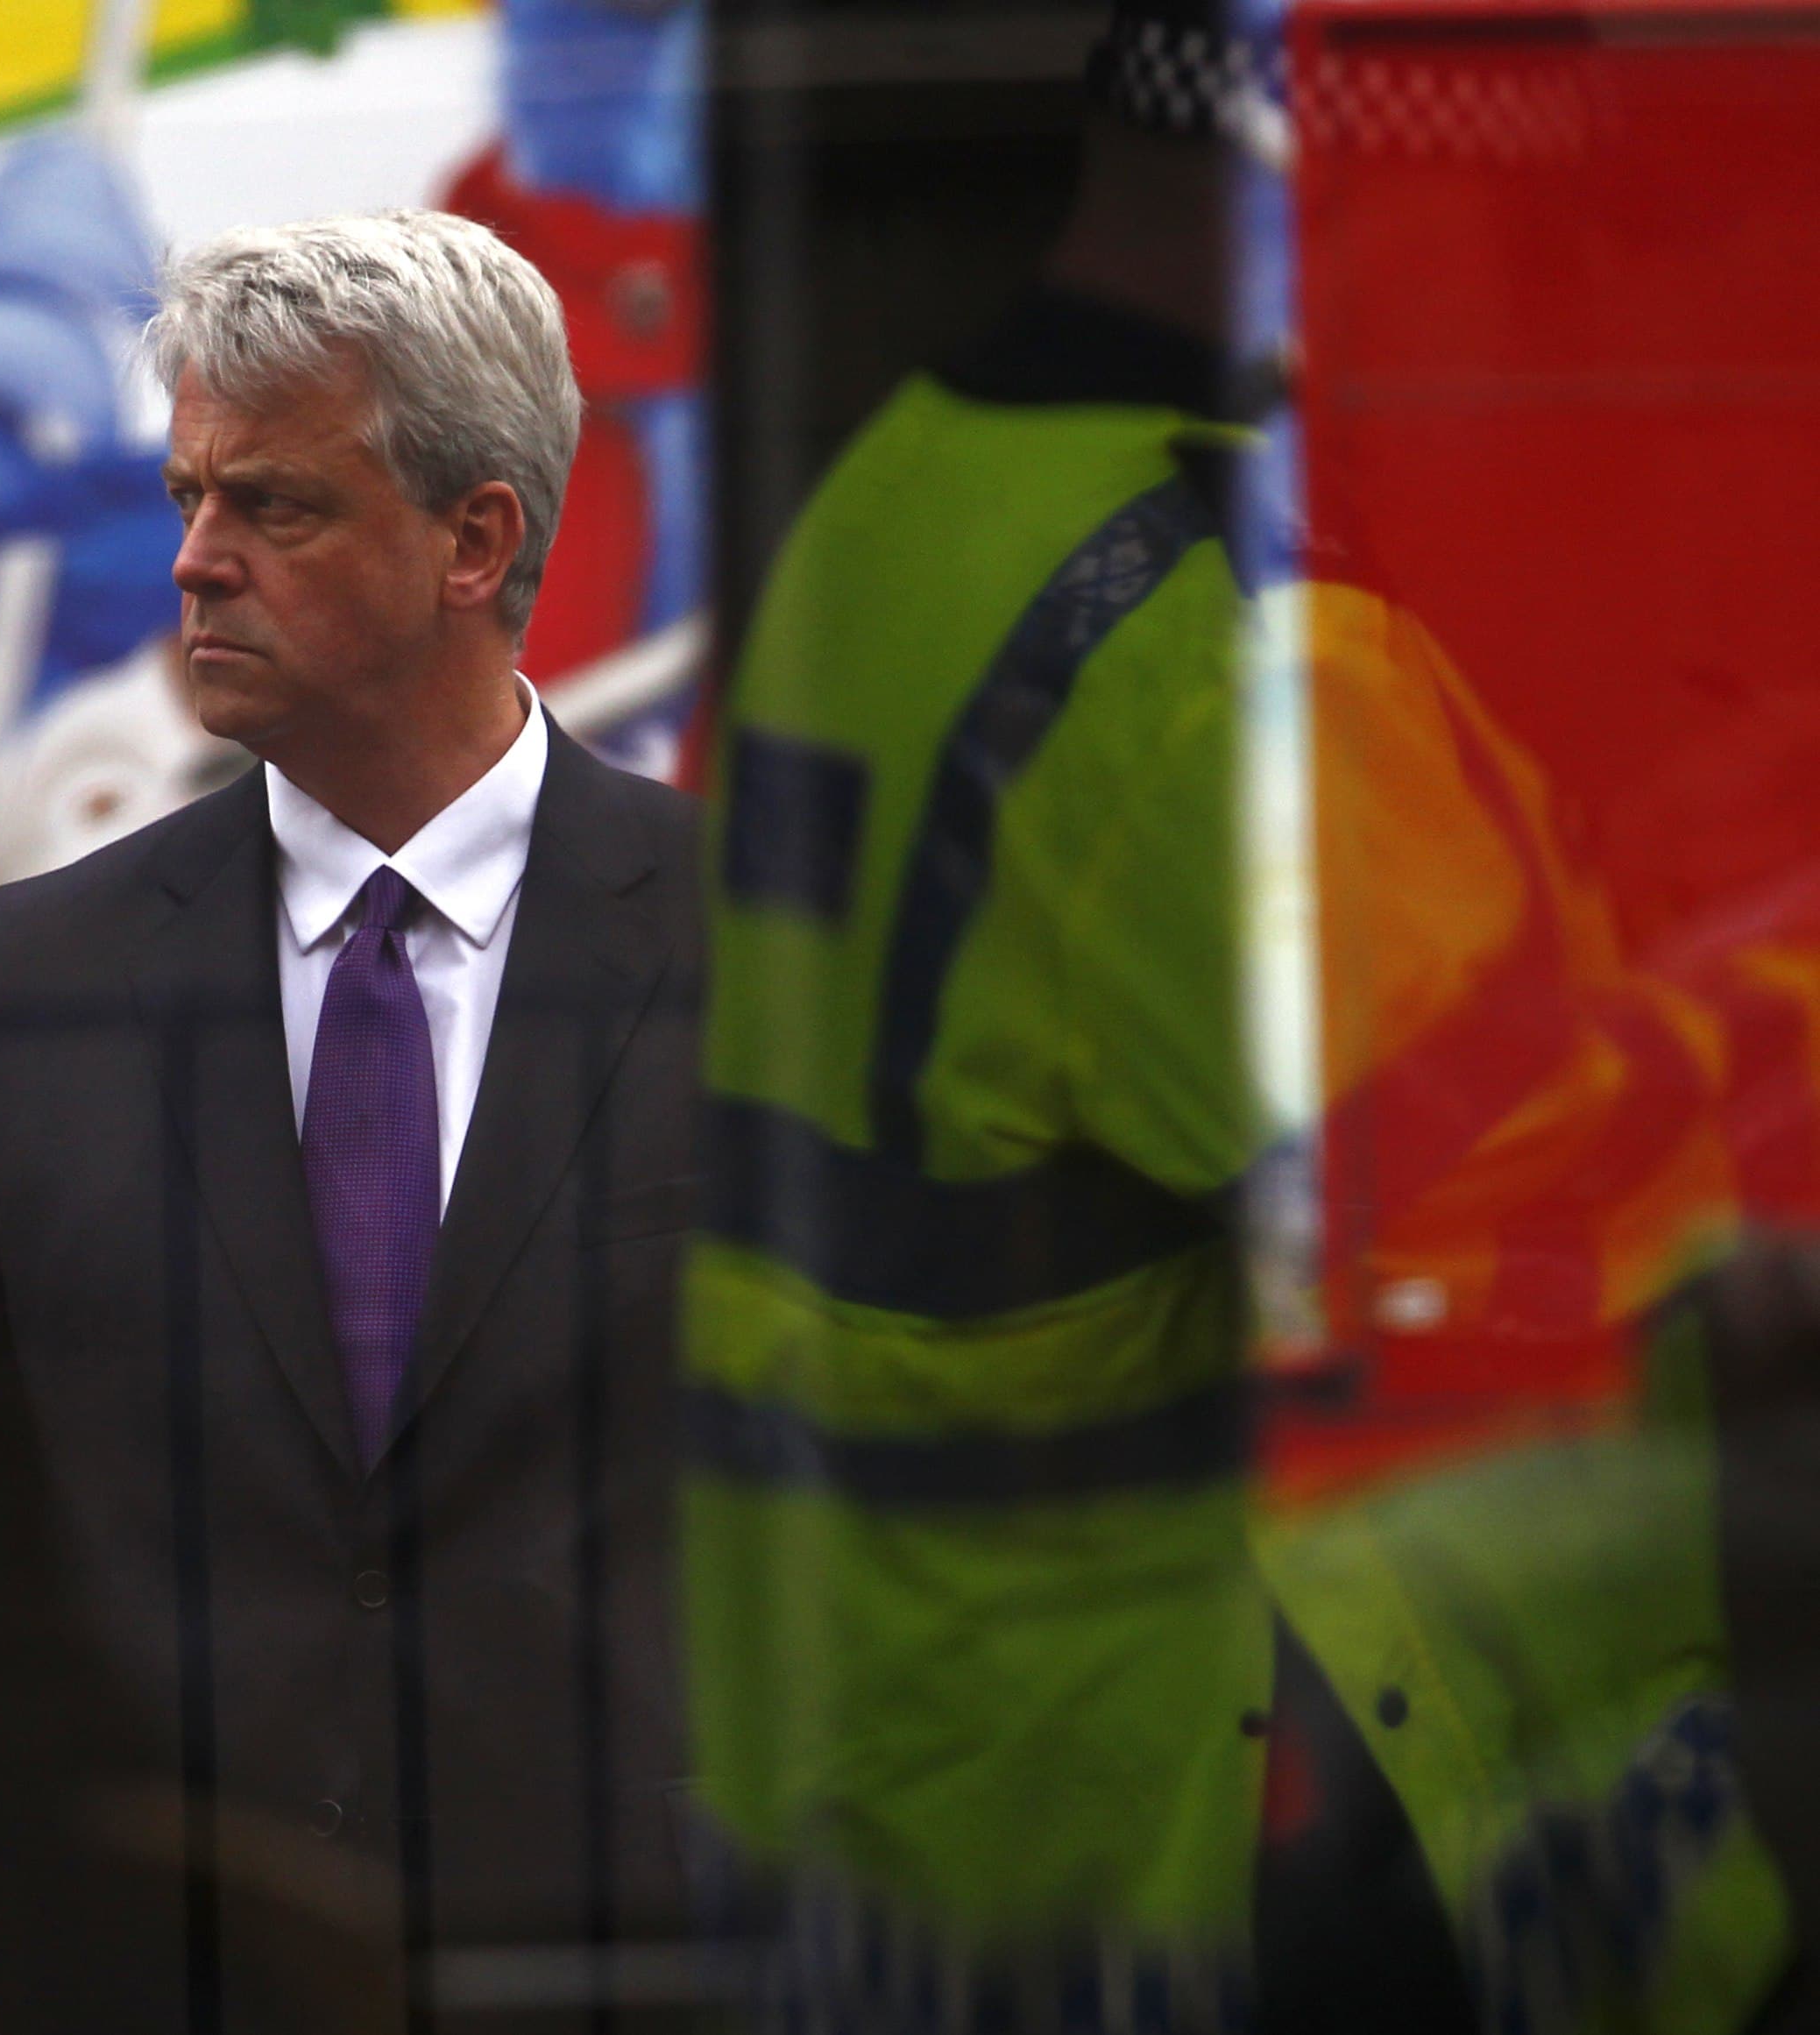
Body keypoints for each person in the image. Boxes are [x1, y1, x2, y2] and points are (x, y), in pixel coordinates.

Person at [680, 4, 1800, 2031]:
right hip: (1211, 1810)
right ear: (1348, 212)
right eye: (1512, 231)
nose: (1543, 305)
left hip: (925, 1743)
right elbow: (1533, 1221)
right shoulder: (1215, 656)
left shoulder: (909, 500)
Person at [0, 208, 705, 2028]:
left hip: (623, 1959)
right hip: (152, 1970)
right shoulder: (29, 992)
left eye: (274, 506)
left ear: (474, 541)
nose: (194, 562)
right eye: (190, 494)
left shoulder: (763, 961)